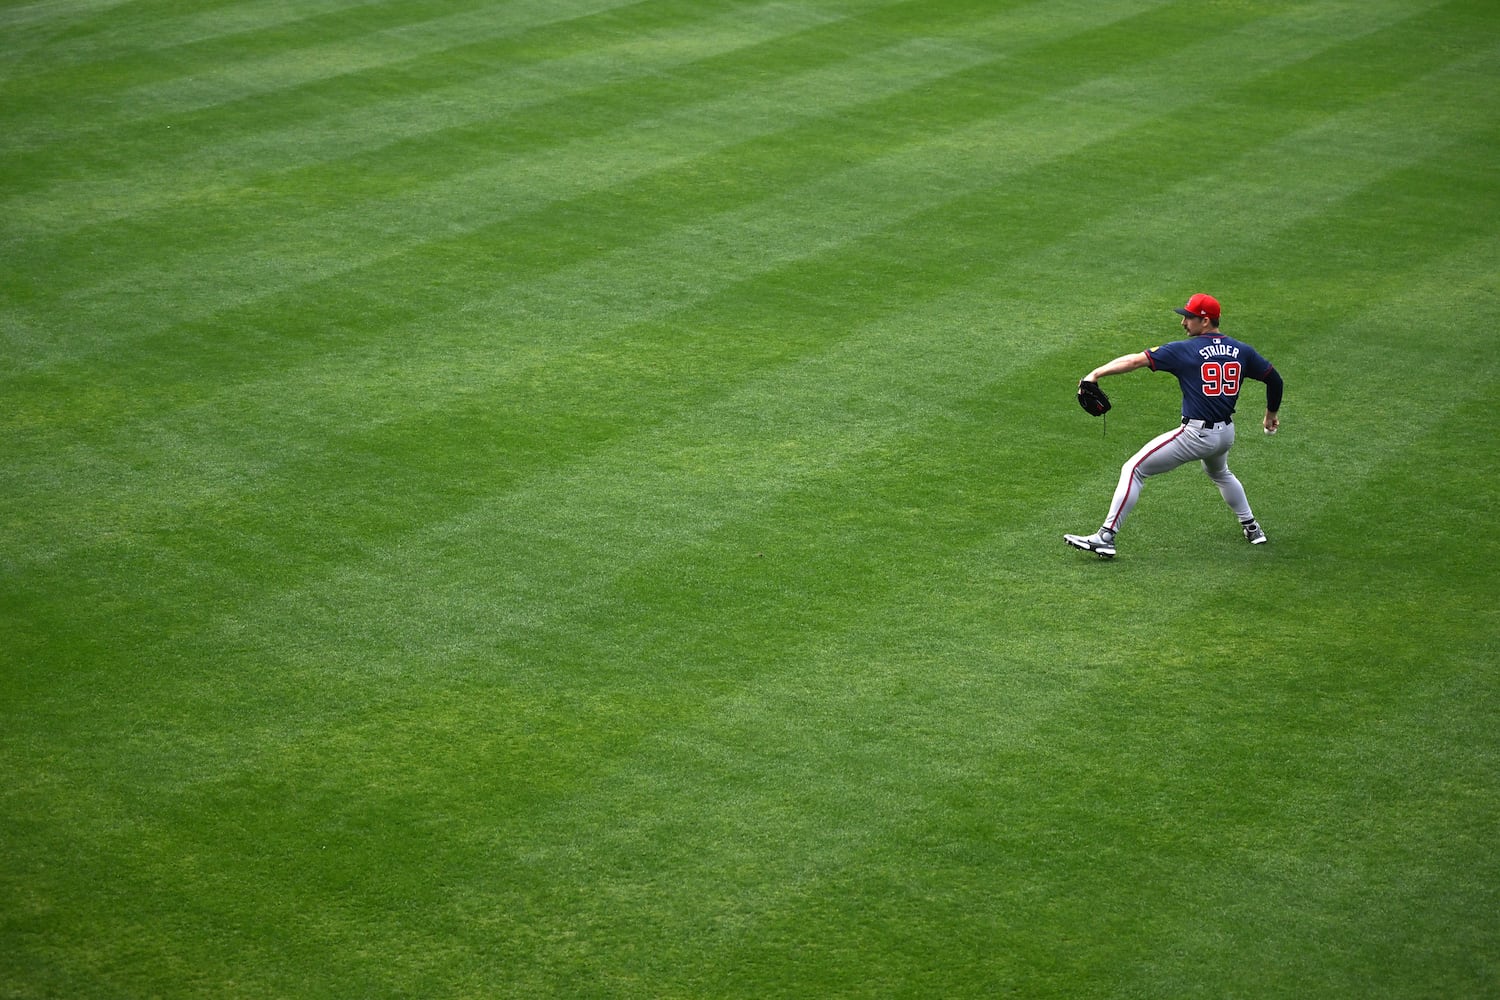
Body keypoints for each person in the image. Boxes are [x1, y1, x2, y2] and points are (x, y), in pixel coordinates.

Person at [1064, 293, 1283, 559]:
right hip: (1225, 434)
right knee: (1220, 473)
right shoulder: (1242, 350)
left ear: (1204, 321)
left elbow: (1135, 361)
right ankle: (1252, 528)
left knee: (1133, 469)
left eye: (1188, 317)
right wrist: (1270, 414)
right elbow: (1275, 380)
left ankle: (1105, 536)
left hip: (1196, 435)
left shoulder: (1185, 350)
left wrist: (1095, 374)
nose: (1183, 322)